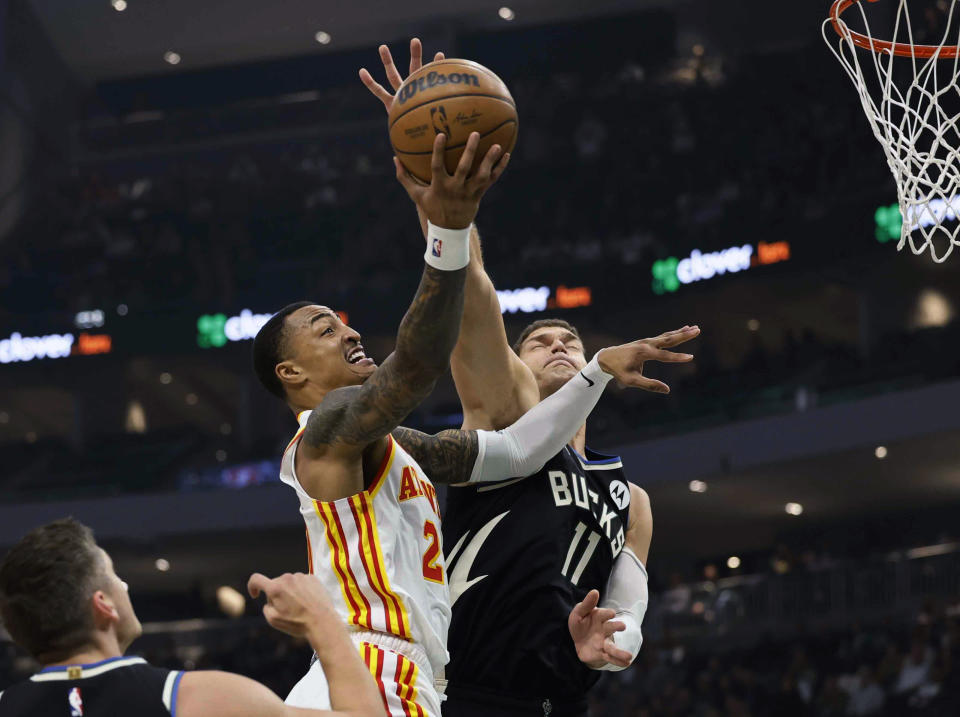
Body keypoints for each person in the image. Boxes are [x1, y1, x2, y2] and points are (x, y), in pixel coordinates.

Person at [361, 40, 699, 716]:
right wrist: (446, 208)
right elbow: (475, 297)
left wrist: (613, 641)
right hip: (470, 697)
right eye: (537, 341)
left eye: (568, 338)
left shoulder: (630, 498)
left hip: (564, 702)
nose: (557, 343)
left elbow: (629, 606)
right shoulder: (508, 411)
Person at [0, 518, 383, 717]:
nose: (126, 586)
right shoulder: (199, 699)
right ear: (104, 605)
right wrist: (322, 619)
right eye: (115, 575)